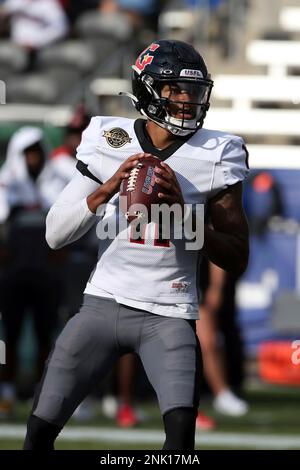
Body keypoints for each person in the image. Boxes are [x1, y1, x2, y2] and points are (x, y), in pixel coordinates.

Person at [23, 39, 249, 450]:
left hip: (169, 313)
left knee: (180, 444)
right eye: (175, 90)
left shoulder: (218, 153)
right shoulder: (110, 138)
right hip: (101, 304)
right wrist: (107, 188)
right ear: (148, 90)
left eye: (194, 92)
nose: (187, 101)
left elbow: (237, 257)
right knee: (38, 433)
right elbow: (55, 234)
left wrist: (184, 216)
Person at [0, 127, 66, 416]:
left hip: (45, 275)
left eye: (37, 152)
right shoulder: (4, 184)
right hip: (13, 276)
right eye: (28, 152)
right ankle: (6, 391)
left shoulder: (56, 183)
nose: (33, 158)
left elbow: (66, 228)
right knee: (10, 336)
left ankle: (40, 391)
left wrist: (57, 257)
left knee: (44, 334)